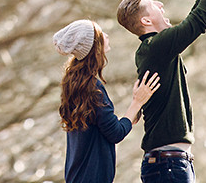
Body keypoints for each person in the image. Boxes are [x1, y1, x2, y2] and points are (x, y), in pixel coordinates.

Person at [115, 0, 206, 183]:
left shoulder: (154, 49)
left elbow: (198, 9)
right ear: (146, 21)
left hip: (170, 164)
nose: (161, 5)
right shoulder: (155, 47)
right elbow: (200, 18)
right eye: (153, 5)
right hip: (168, 165)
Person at [53, 19, 161, 183]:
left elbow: (103, 127)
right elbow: (115, 133)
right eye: (101, 34)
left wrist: (129, 117)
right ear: (94, 47)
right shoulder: (92, 88)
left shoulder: (74, 84)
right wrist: (137, 102)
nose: (106, 35)